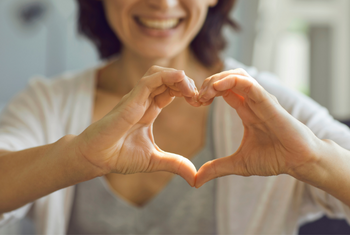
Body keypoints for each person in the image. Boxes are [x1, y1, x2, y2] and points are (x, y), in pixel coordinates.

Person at [0, 0, 349, 234]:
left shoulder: (271, 105)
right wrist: (75, 158)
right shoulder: (48, 103)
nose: (163, 2)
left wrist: (313, 159)